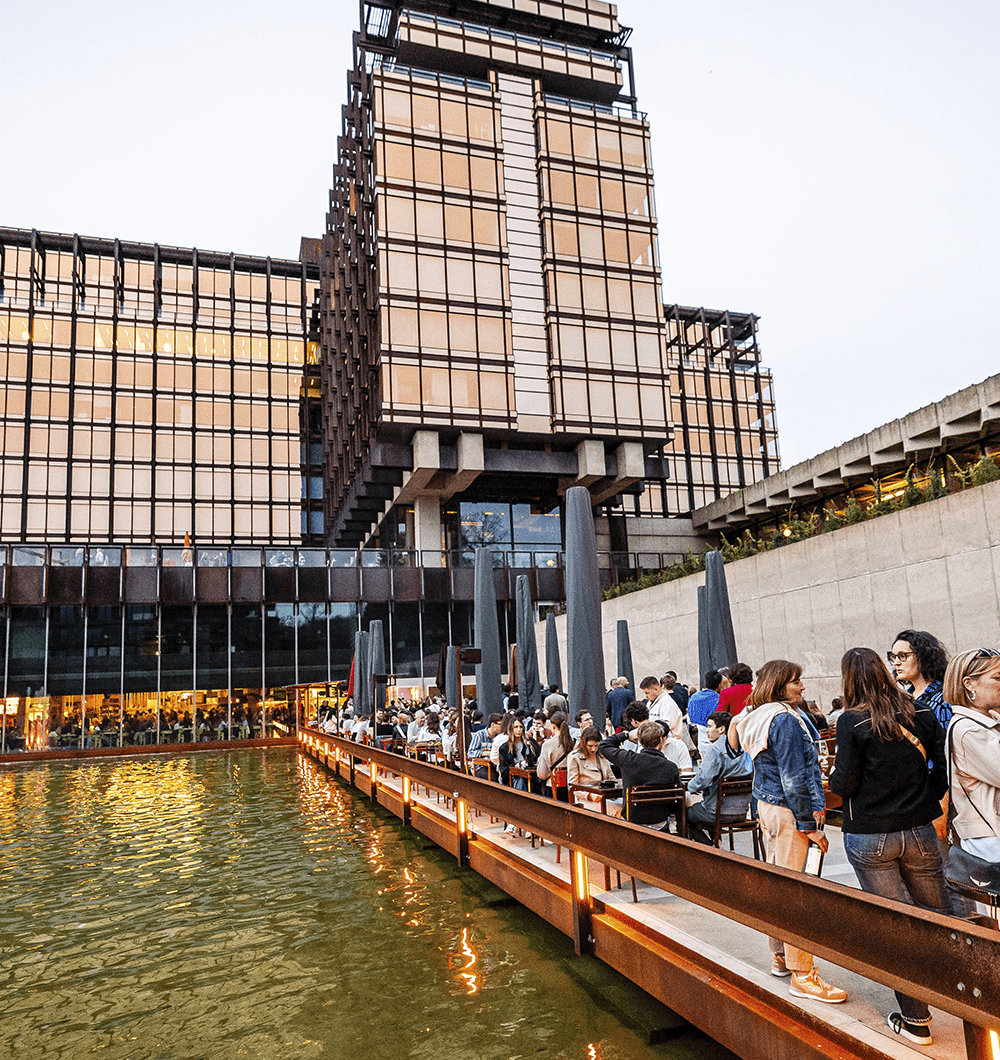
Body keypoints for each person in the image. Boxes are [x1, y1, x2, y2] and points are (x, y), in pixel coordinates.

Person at [829, 647, 951, 1046]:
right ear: (885, 672)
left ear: (849, 679)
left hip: (869, 833)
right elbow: (941, 769)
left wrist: (834, 778)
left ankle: (916, 1019)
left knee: (897, 924)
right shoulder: (924, 713)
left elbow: (843, 784)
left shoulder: (851, 721)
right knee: (938, 913)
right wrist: (925, 800)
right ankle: (958, 990)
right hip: (918, 827)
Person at [731, 659, 847, 1004]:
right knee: (797, 891)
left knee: (780, 885)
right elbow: (794, 777)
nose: (802, 686)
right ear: (781, 684)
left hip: (768, 807)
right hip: (787, 811)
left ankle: (781, 955)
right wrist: (810, 825)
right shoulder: (784, 720)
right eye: (797, 681)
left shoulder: (759, 715)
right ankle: (803, 975)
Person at [942, 647, 1000, 912]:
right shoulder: (967, 730)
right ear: (969, 684)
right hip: (991, 841)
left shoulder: (989, 721)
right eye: (997, 678)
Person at [599, 721, 681, 829]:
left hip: (633, 822)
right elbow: (677, 799)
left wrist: (625, 735)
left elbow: (604, 745)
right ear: (661, 740)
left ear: (640, 742)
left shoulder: (629, 760)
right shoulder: (671, 767)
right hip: (660, 822)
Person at [686, 712, 752, 844]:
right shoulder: (745, 747)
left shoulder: (716, 749)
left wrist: (688, 787)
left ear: (721, 729)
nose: (706, 730)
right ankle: (716, 841)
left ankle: (709, 846)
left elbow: (703, 779)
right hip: (741, 811)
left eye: (710, 726)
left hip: (715, 812)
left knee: (683, 813)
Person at [889, 629, 951, 728]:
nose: (896, 662)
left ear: (923, 656)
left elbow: (945, 740)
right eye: (893, 657)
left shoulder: (943, 698)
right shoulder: (905, 698)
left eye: (902, 656)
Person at [567, 725, 616, 806]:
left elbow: (611, 778)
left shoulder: (602, 756)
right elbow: (572, 786)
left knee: (626, 807)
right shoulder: (575, 757)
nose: (593, 749)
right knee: (619, 810)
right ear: (583, 743)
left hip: (606, 797)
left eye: (596, 746)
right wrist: (589, 795)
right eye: (590, 746)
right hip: (586, 800)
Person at [536, 711, 574, 798]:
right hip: (571, 786)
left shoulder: (548, 744)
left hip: (554, 788)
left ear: (553, 726)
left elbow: (542, 774)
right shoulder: (574, 742)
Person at [639, 676, 685, 743]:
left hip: (668, 742)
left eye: (647, 693)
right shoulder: (650, 702)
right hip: (654, 742)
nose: (645, 696)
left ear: (656, 689)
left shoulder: (667, 703)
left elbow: (665, 726)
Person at [497, 718, 539, 791]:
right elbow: (503, 770)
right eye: (516, 727)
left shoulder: (530, 742)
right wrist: (516, 766)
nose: (519, 730)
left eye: (521, 727)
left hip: (531, 776)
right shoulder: (504, 748)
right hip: (515, 778)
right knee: (521, 780)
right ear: (511, 729)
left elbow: (539, 757)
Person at [688, 671, 723, 755]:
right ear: (719, 684)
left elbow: (691, 721)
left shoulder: (694, 697)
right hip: (718, 741)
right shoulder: (720, 698)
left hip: (702, 742)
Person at [468, 713, 504, 778]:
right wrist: (484, 753)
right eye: (500, 724)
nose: (502, 727)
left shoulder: (499, 737)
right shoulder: (479, 735)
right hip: (480, 766)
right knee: (494, 778)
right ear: (493, 724)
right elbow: (470, 753)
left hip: (495, 765)